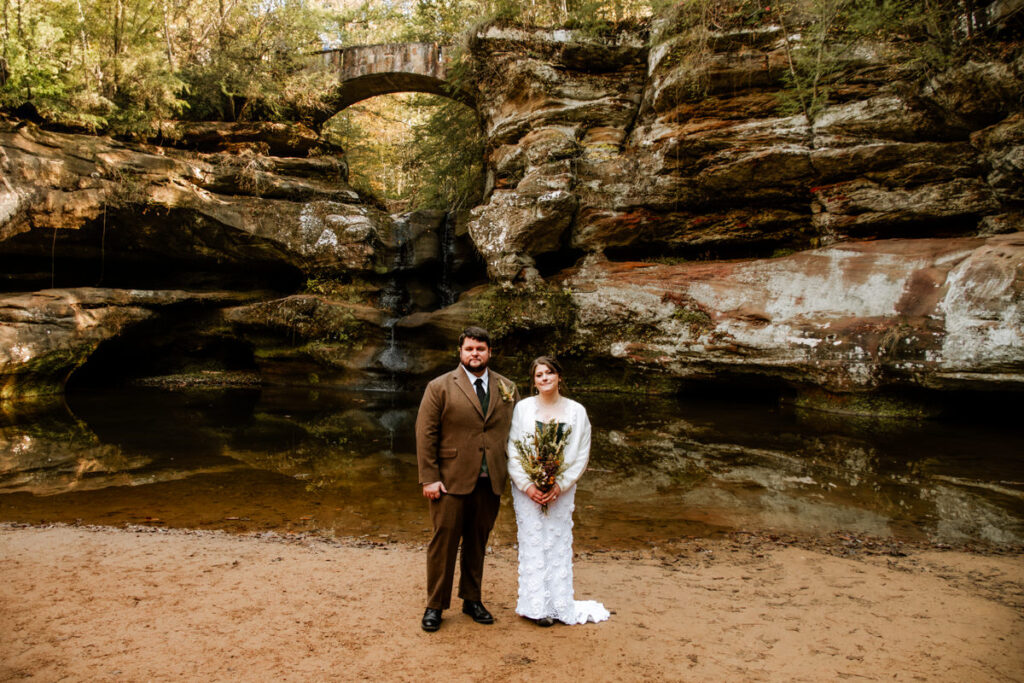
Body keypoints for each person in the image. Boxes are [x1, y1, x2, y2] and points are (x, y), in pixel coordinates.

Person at [415, 326, 519, 632]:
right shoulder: (440, 386)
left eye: (481, 349)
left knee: (477, 542)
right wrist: (429, 478)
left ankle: (472, 600)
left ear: (490, 352)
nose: (475, 354)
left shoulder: (508, 387)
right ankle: (435, 605)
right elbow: (425, 434)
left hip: (490, 480)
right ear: (460, 352)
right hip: (450, 480)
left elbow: (516, 432)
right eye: (470, 349)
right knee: (442, 544)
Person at [506, 355, 609, 626]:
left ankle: (557, 605)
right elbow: (514, 449)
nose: (545, 378)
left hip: (561, 491)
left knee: (556, 543)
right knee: (532, 544)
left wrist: (560, 485)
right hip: (527, 490)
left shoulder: (576, 411)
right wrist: (526, 485)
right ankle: (535, 607)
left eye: (549, 373)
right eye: (539, 375)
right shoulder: (523, 409)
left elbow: (581, 454)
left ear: (559, 376)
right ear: (534, 381)